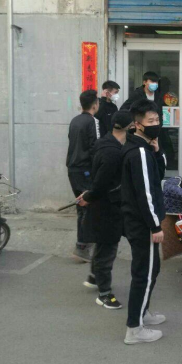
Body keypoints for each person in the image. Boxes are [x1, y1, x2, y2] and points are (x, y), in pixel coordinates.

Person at [121, 100, 167, 345]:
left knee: (152, 268)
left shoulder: (144, 148)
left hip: (141, 221)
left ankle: (143, 313)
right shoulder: (138, 152)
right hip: (142, 224)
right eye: (151, 121)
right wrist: (155, 225)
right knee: (144, 274)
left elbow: (158, 176)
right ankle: (134, 329)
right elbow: (146, 193)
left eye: (157, 120)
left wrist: (157, 151)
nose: (156, 124)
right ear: (138, 125)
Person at [77, 110, 134, 310]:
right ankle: (104, 294)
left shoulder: (106, 143)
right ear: (130, 127)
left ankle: (94, 277)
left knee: (104, 246)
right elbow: (101, 183)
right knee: (107, 249)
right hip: (107, 207)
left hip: (107, 204)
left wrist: (88, 194)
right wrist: (88, 197)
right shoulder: (113, 152)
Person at [66, 89, 100, 262]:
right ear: (95, 105)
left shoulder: (75, 120)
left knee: (82, 206)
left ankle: (84, 245)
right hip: (85, 169)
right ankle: (82, 247)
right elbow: (95, 147)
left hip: (73, 169)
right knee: (88, 206)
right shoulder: (92, 121)